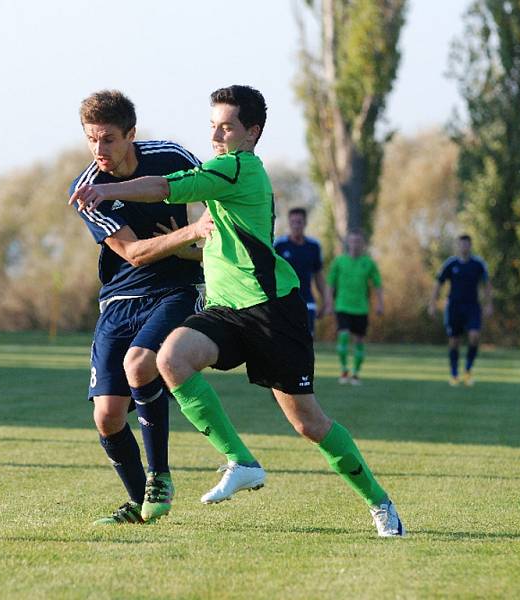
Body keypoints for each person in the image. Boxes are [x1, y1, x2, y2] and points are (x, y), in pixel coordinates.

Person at [72, 85, 405, 537]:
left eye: (227, 127)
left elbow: (162, 187)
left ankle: (380, 504)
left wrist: (107, 188)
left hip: (271, 309)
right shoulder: (218, 170)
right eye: (212, 126)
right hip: (225, 308)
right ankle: (240, 461)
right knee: (170, 359)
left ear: (253, 132)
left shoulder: (237, 169)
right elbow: (206, 238)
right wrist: (189, 244)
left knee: (309, 423)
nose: (216, 135)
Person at [69, 89, 212, 526]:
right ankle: (141, 506)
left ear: (131, 134)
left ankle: (160, 477)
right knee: (107, 416)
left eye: (109, 139)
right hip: (119, 299)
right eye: (92, 139)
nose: (100, 150)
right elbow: (132, 252)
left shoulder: (170, 155)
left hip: (176, 289)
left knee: (140, 363)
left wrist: (199, 243)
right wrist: (185, 237)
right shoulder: (87, 190)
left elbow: (215, 204)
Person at [428, 234, 493, 386]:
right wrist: (432, 303)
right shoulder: (450, 264)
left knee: (474, 336)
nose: (464, 247)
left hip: (472, 307)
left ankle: (468, 370)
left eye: (466, 244)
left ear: (470, 246)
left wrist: (489, 304)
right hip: (454, 307)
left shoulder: (478, 264)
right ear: (458, 246)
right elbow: (438, 284)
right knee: (454, 341)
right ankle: (454, 373)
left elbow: (487, 284)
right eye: (461, 244)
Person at [324, 230, 383, 385]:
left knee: (359, 340)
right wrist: (329, 303)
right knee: (343, 335)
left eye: (358, 242)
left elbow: (377, 285)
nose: (355, 244)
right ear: (347, 243)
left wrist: (380, 303)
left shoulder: (369, 263)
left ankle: (356, 374)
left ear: (362, 244)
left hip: (361, 308)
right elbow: (330, 284)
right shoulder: (339, 261)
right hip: (342, 305)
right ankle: (344, 369)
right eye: (352, 241)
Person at [273, 208, 325, 335]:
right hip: (284, 299)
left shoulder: (314, 246)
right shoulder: (279, 245)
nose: (296, 225)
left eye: (299, 222)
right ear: (289, 223)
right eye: (293, 222)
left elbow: (318, 275)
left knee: (307, 338)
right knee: (286, 338)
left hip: (307, 299)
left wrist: (326, 300)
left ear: (305, 223)